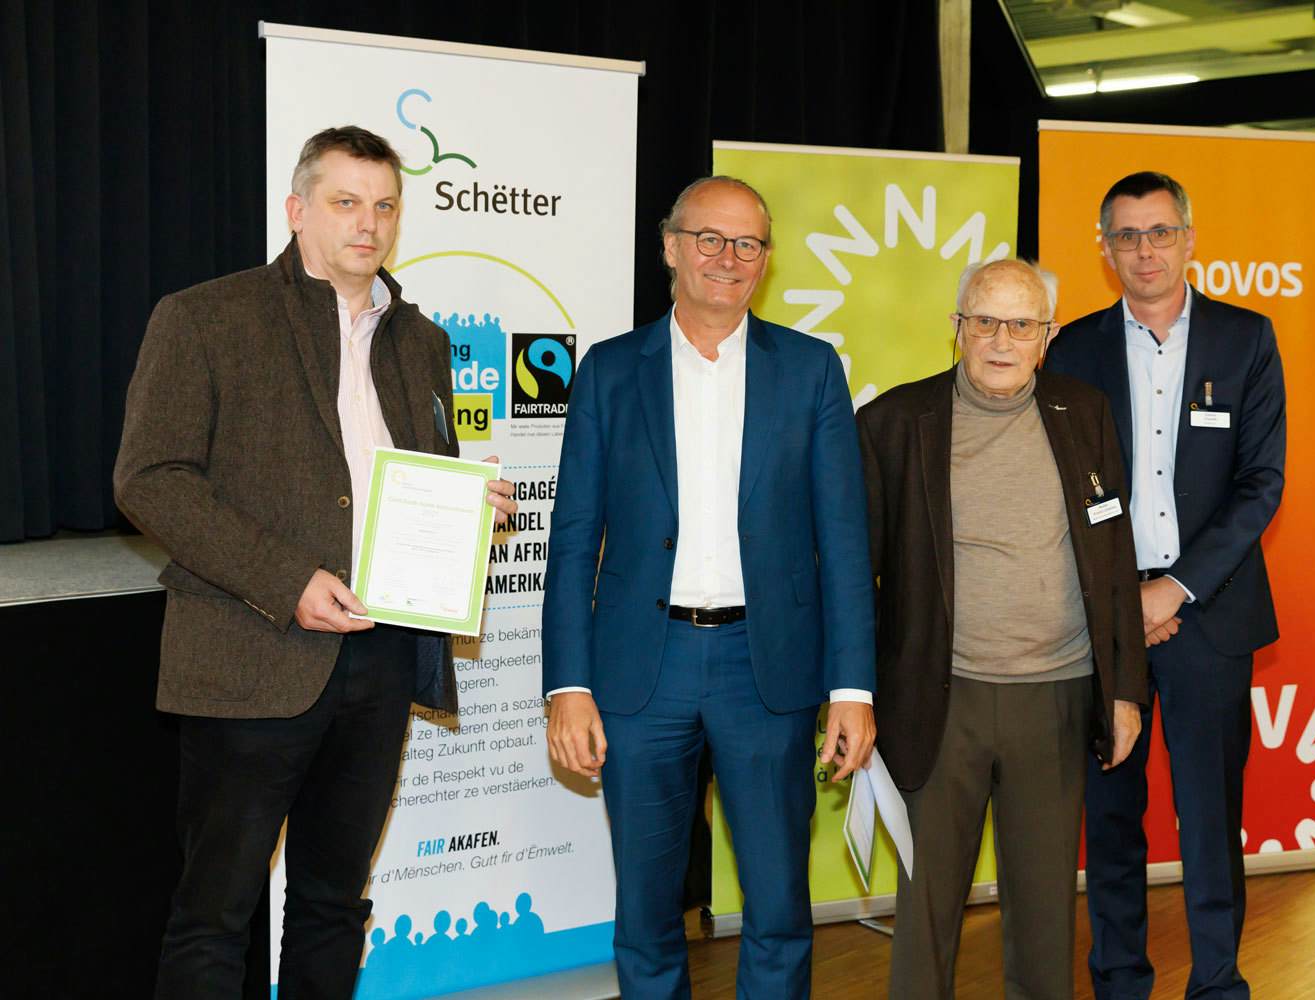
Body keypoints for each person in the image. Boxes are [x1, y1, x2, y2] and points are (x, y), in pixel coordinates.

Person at [114, 126, 518, 999]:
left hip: (383, 652)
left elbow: (417, 476)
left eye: (384, 206)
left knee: (335, 903)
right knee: (214, 915)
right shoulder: (206, 317)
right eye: (345, 202)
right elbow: (150, 479)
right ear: (298, 210)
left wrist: (466, 507)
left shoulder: (423, 340)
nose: (367, 224)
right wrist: (285, 580)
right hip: (250, 654)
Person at [540, 175, 877, 998]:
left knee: (778, 906)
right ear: (670, 247)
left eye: (748, 243)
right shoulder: (610, 371)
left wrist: (852, 688)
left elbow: (843, 541)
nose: (729, 258)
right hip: (640, 672)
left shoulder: (810, 370)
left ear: (766, 257)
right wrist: (567, 686)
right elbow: (574, 539)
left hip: (768, 672)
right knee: (646, 911)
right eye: (709, 239)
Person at [857, 258, 1148, 999]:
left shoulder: (1084, 413)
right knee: (925, 915)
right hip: (938, 699)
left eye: (1021, 325)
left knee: (1046, 916)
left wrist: (1124, 690)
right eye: (984, 321)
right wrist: (853, 696)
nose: (1001, 341)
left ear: (1047, 336)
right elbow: (856, 576)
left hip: (1057, 696)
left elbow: (1115, 557)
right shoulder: (893, 423)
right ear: (957, 328)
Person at [1046, 171, 1287, 1000]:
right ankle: (1120, 981)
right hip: (1103, 622)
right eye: (1127, 235)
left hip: (1207, 618)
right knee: (1111, 817)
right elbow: (1065, 490)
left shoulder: (1245, 339)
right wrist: (1124, 598)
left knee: (1210, 818)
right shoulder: (1071, 349)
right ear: (1105, 248)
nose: (1144, 250)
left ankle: (1217, 983)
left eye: (1159, 232)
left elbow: (1261, 483)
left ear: (1188, 238)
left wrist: (1175, 588)